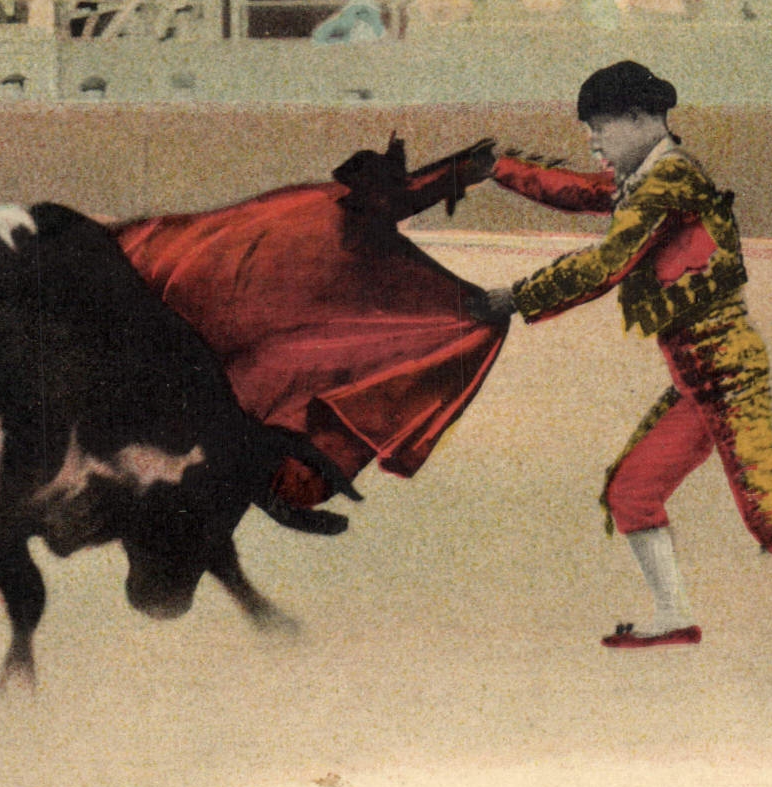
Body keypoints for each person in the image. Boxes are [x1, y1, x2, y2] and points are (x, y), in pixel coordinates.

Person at [476, 60, 772, 695]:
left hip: (729, 376)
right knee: (630, 490)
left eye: (600, 129)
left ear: (638, 120)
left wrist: (515, 297)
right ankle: (675, 615)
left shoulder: (670, 181)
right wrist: (498, 167)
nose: (593, 143)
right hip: (694, 380)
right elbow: (578, 190)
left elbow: (607, 262)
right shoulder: (649, 175)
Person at [115, 136, 508, 521]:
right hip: (277, 359)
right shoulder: (324, 218)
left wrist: (467, 170)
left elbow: (399, 200)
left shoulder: (329, 216)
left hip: (279, 373)